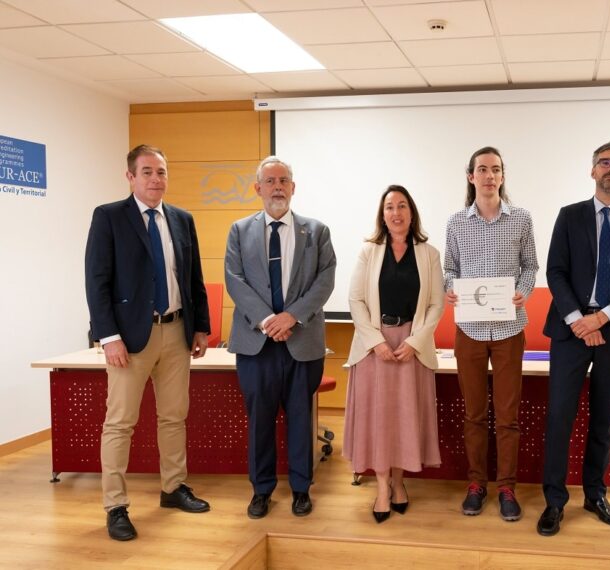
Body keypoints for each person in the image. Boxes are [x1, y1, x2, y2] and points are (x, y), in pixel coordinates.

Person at [85, 144, 211, 541]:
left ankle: (173, 488)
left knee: (174, 416)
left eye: (161, 172)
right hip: (128, 339)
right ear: (130, 177)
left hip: (176, 331)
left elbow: (193, 278)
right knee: (120, 422)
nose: (156, 179)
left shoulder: (182, 219)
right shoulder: (109, 217)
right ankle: (116, 506)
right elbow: (96, 281)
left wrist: (200, 327)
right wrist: (108, 337)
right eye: (147, 172)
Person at [537, 141, 610, 536]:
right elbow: (556, 271)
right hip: (570, 331)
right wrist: (578, 321)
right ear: (593, 171)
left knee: (603, 419)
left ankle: (595, 494)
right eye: (605, 162)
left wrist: (600, 319)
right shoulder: (569, 216)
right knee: (560, 417)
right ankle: (555, 501)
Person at [224, 156, 336, 519]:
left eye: (283, 180)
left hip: (302, 342)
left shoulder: (316, 231)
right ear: (257, 188)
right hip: (255, 345)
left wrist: (291, 317)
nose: (277, 187)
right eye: (270, 181)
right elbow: (235, 281)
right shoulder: (239, 231)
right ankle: (261, 490)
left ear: (293, 187)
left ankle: (301, 488)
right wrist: (268, 320)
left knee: (302, 418)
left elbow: (325, 280)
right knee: (260, 420)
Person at [443, 146, 538, 522]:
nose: (489, 175)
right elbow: (449, 269)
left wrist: (523, 292)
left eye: (495, 169)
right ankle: (476, 484)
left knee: (508, 416)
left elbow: (530, 266)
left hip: (509, 328)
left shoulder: (522, 218)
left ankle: (506, 488)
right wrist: (451, 288)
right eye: (482, 169)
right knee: (474, 415)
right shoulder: (456, 222)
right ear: (471, 177)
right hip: (469, 329)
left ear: (502, 176)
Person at [344, 185, 445, 523]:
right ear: (382, 214)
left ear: (411, 213)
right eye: (389, 207)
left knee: (404, 417)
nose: (396, 212)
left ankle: (400, 482)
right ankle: (382, 488)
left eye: (402, 206)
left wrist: (415, 342)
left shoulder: (429, 254)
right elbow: (356, 300)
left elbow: (436, 304)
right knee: (379, 420)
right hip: (375, 346)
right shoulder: (369, 252)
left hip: (411, 345)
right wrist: (375, 341)